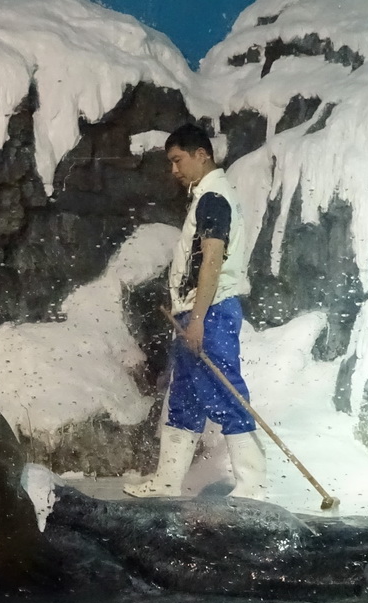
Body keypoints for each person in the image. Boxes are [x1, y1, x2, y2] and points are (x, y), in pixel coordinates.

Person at [124, 123, 267, 500]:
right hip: (197, 311)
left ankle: (252, 486)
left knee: (224, 390)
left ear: (201, 154)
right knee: (185, 396)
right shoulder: (207, 196)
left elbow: (212, 260)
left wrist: (199, 318)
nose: (174, 170)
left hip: (212, 311)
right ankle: (168, 480)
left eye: (177, 160)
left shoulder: (213, 197)